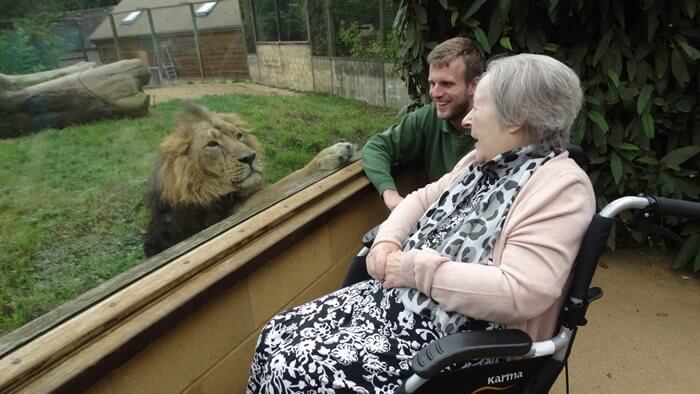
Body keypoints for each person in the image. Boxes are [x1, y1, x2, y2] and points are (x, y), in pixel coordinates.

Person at [247, 54, 595, 393]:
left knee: (292, 367)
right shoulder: (479, 161)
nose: (469, 119)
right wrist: (387, 241)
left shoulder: (560, 189)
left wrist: (414, 269)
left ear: (517, 118)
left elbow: (520, 292)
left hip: (453, 340)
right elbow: (420, 199)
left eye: (479, 106)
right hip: (397, 302)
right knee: (274, 333)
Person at [362, 37, 485, 211]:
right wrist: (391, 196)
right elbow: (375, 147)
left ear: (474, 85)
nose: (435, 93)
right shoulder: (429, 117)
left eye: (446, 84)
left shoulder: (496, 127)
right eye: (432, 83)